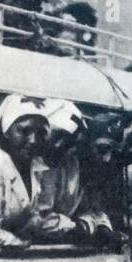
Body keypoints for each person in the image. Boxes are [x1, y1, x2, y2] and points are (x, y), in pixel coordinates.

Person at [21, 99, 115, 244]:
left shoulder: (70, 163)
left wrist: (96, 225)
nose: (60, 145)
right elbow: (31, 218)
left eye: (68, 140)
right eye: (57, 135)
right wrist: (72, 227)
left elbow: (86, 209)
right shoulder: (24, 162)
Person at [0, 93, 44, 247]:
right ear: (7, 131)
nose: (33, 140)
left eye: (39, 133)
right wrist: (20, 242)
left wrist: (35, 223)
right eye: (24, 131)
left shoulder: (35, 163)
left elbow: (33, 212)